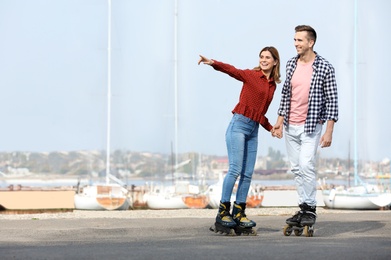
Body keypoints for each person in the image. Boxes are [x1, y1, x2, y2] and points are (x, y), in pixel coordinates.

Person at [198, 46, 281, 235]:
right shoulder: (251, 75)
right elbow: (232, 70)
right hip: (238, 126)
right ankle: (222, 213)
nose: (263, 60)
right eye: (261, 57)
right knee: (235, 169)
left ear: (275, 61)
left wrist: (271, 129)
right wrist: (213, 63)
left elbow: (260, 113)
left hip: (253, 130)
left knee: (248, 173)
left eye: (267, 57)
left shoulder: (272, 85)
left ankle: (239, 213)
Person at [272, 25, 339, 226]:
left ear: (311, 42)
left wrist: (329, 132)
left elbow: (332, 102)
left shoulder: (325, 67)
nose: (295, 44)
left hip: (311, 126)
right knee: (295, 168)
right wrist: (279, 123)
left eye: (299, 40)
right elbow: (285, 96)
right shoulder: (291, 64)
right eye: (294, 40)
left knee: (306, 165)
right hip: (290, 126)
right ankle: (303, 207)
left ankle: (310, 208)